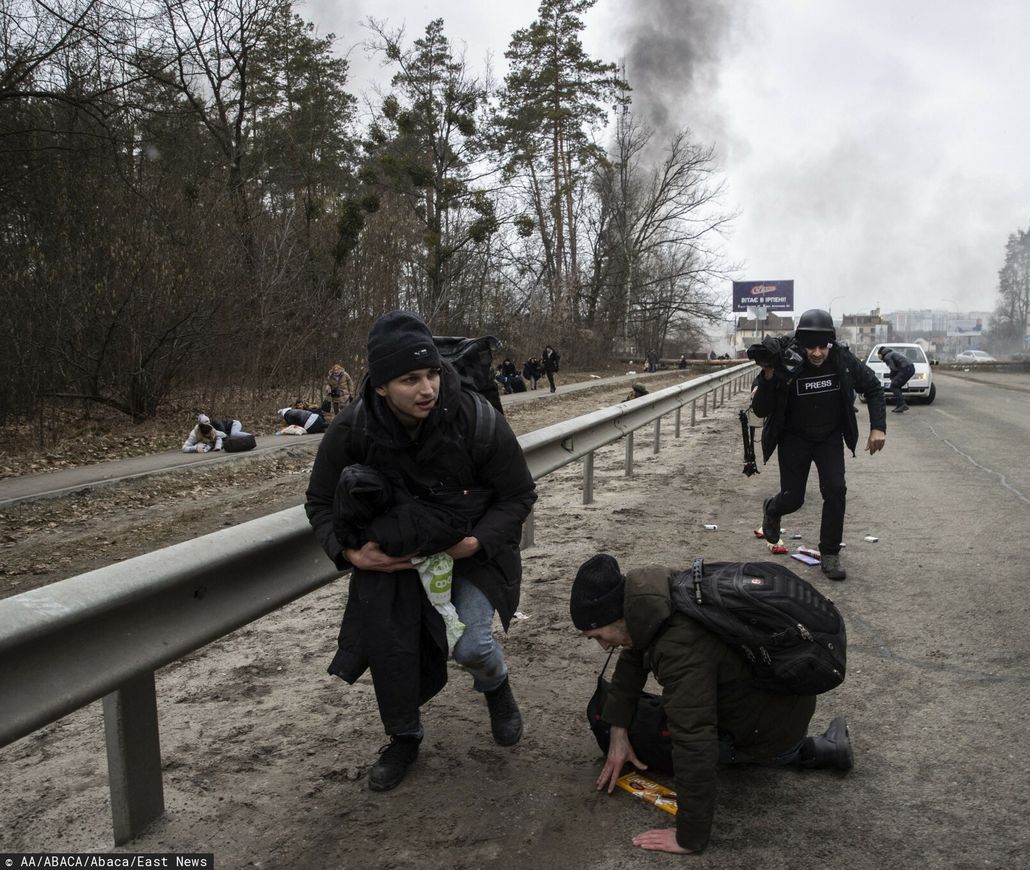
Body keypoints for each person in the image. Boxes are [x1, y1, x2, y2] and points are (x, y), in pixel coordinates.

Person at [305, 310, 537, 793]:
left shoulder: (476, 418)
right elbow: (320, 502)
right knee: (393, 653)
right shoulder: (352, 430)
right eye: (410, 379)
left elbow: (518, 495)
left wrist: (474, 543)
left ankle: (495, 686)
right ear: (382, 386)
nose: (428, 388)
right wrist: (350, 556)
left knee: (471, 645)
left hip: (470, 548)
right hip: (394, 555)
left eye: (432, 373)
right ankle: (404, 739)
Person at [571, 554, 852, 855]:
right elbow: (634, 654)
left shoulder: (679, 648)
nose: (602, 647)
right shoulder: (658, 595)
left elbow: (693, 741)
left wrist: (689, 836)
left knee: (653, 733)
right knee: (633, 716)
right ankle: (812, 749)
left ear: (616, 615)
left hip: (764, 730)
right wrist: (617, 730)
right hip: (780, 708)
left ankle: (782, 753)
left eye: (598, 636)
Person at [749, 309, 886, 581]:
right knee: (794, 498)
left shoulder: (841, 358)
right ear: (801, 343)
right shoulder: (785, 360)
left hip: (829, 437)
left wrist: (878, 427)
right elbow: (762, 409)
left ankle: (830, 553)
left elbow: (873, 387)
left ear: (830, 344)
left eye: (823, 346)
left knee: (836, 491)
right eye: (811, 346)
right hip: (794, 437)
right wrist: (767, 374)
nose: (817, 353)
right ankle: (773, 508)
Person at [877, 346, 916, 413]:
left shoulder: (887, 357)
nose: (879, 357)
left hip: (906, 369)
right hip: (909, 368)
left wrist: (891, 376)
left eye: (879, 355)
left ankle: (902, 405)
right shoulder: (891, 353)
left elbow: (893, 369)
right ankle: (899, 406)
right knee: (897, 386)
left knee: (894, 386)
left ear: (882, 353)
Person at [181, 413, 246, 453]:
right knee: (233, 435)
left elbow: (222, 436)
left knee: (233, 435)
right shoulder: (194, 435)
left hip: (234, 424)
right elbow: (184, 448)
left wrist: (218, 446)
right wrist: (195, 448)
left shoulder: (212, 429)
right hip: (198, 443)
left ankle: (249, 437)